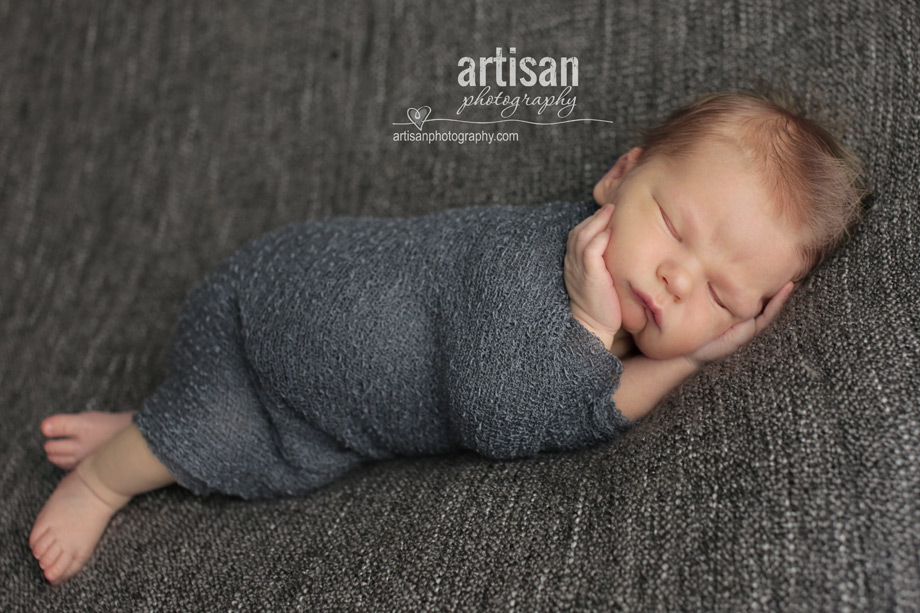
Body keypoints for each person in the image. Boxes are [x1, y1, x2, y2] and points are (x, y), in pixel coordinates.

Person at [29, 90, 865, 585]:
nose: (681, 277)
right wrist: (587, 322)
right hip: (289, 335)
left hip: (319, 377)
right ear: (618, 176)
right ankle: (108, 479)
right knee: (220, 429)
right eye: (674, 224)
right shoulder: (532, 266)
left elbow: (598, 407)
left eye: (721, 292)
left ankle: (150, 428)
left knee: (198, 418)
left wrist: (691, 354)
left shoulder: (619, 324)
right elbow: (502, 419)